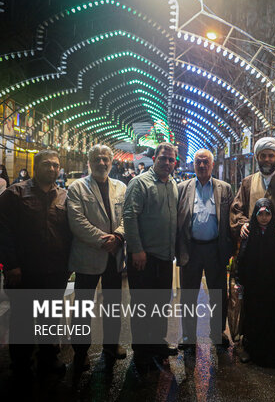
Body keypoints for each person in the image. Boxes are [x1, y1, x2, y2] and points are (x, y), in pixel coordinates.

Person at [0, 150, 71, 378]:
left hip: (54, 271)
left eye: (55, 165)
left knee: (49, 317)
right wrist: (11, 265)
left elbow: (70, 233)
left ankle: (48, 359)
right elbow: (4, 232)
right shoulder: (14, 194)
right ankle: (21, 364)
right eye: (47, 164)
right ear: (35, 165)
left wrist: (68, 266)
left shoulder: (65, 196)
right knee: (22, 318)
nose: (52, 169)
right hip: (24, 271)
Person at [230, 137, 275, 359]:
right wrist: (242, 225)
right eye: (263, 155)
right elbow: (236, 210)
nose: (267, 159)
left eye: (271, 155)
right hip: (254, 254)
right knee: (254, 299)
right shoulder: (248, 183)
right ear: (257, 157)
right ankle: (250, 341)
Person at [66, 144, 127, 375]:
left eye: (105, 159)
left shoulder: (121, 187)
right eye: (97, 159)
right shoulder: (78, 188)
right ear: (89, 163)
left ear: (111, 162)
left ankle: (111, 345)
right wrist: (105, 240)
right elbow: (77, 222)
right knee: (83, 308)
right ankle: (80, 353)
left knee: (113, 305)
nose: (102, 163)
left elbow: (127, 216)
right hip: (88, 257)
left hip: (114, 257)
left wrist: (119, 236)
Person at [123, 142, 179, 372]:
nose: (167, 163)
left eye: (171, 160)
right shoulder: (139, 183)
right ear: (154, 158)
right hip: (144, 257)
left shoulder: (173, 184)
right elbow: (129, 215)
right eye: (163, 158)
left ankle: (158, 342)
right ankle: (142, 350)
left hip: (165, 257)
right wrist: (137, 249)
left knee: (160, 303)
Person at [176, 149, 234, 352]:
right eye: (198, 162)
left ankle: (217, 332)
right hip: (191, 249)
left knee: (218, 294)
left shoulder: (224, 189)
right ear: (193, 165)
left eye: (205, 162)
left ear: (212, 165)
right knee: (189, 295)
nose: (201, 166)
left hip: (215, 248)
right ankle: (188, 335)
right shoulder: (182, 188)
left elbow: (231, 221)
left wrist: (230, 249)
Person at [235, 198, 275, 368]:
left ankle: (270, 350)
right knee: (252, 316)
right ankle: (250, 348)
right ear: (255, 215)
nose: (264, 218)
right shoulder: (250, 232)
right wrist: (239, 281)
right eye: (261, 214)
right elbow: (241, 258)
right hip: (253, 284)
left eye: (268, 214)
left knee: (271, 317)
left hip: (271, 285)